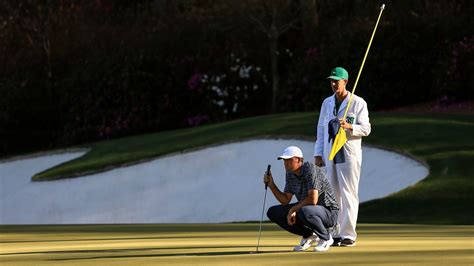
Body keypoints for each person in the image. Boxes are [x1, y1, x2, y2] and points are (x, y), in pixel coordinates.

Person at [314, 67, 371, 247]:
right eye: (331, 81)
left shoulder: (358, 102)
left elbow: (367, 129)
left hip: (348, 154)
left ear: (345, 82)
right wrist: (317, 152)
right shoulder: (327, 103)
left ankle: (348, 234)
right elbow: (321, 129)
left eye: (336, 81)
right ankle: (335, 233)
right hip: (329, 153)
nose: (333, 84)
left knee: (348, 193)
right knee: (332, 195)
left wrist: (349, 126)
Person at [265, 146, 339, 252]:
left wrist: (293, 210)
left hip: (329, 212)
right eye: (284, 160)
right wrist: (271, 185)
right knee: (273, 212)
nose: (285, 163)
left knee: (305, 210)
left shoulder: (310, 169)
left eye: (289, 160)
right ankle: (308, 235)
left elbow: (312, 199)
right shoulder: (290, 173)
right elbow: (285, 200)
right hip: (307, 210)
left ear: (299, 160)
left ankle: (326, 238)